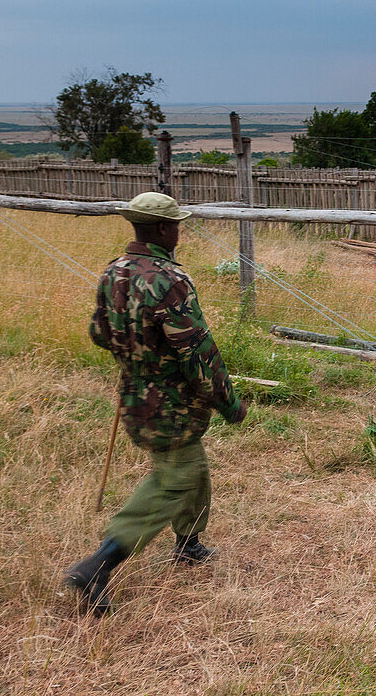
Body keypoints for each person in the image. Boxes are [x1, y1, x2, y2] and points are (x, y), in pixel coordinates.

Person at [63, 191, 247, 615]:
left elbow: (98, 333)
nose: (179, 230)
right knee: (174, 479)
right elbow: (197, 352)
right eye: (176, 224)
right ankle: (100, 563)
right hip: (170, 401)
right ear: (164, 230)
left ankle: (188, 545)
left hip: (134, 393)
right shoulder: (169, 280)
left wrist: (134, 355)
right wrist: (227, 402)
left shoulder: (114, 272)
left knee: (191, 465)